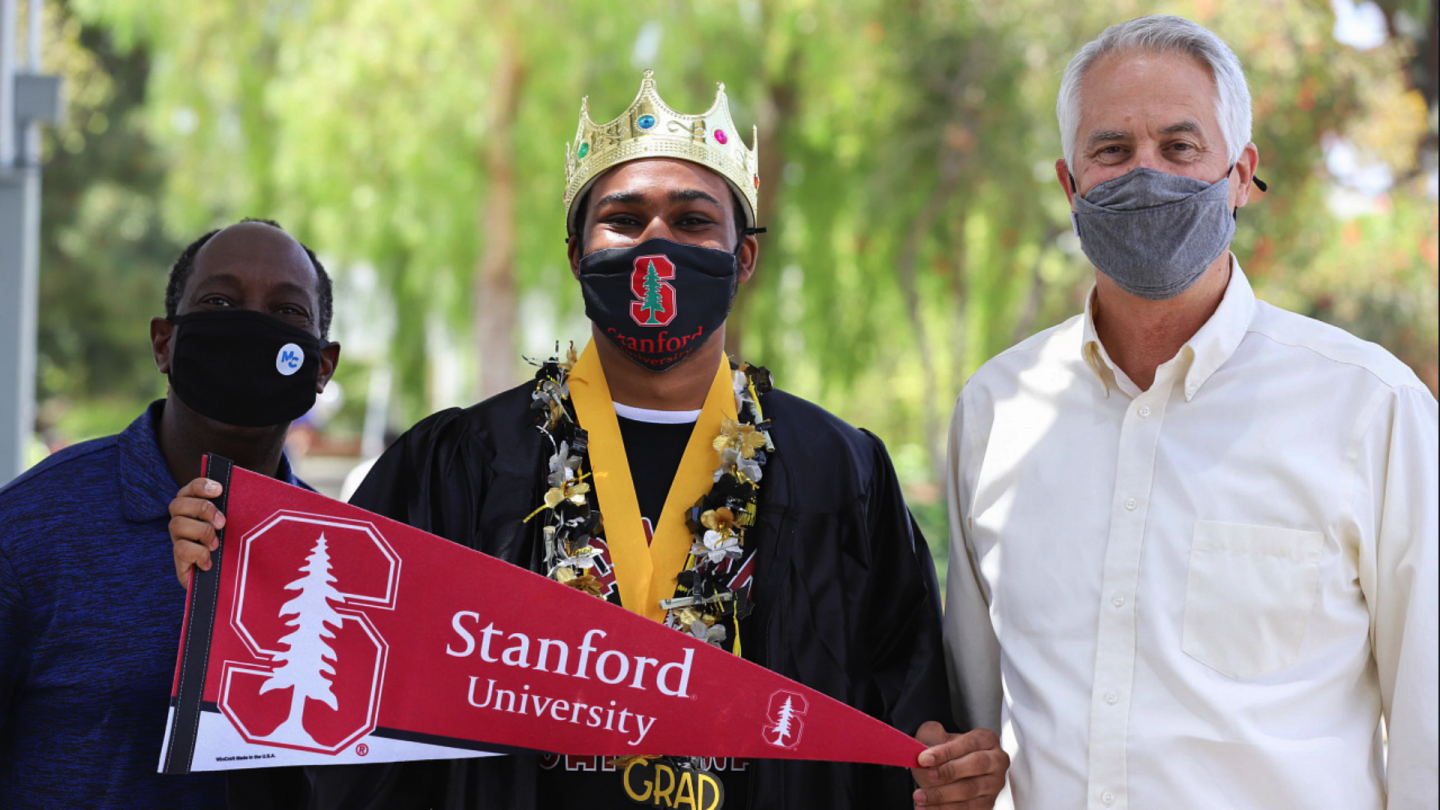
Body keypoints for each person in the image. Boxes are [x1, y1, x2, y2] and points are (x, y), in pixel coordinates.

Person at [172, 71, 1008, 809]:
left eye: (691, 221)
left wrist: (940, 774)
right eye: (623, 220)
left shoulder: (838, 471)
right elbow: (342, 662)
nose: (657, 246)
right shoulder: (458, 463)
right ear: (576, 252)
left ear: (743, 258)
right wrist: (222, 542)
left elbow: (903, 712)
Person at [943, 14, 1438, 809]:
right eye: (1111, 150)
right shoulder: (995, 412)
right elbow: (972, 729)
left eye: (1180, 147)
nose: (1148, 175)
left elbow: (1430, 731)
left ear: (1241, 175)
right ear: (1070, 187)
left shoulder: (1370, 410)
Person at [0, 219, 341, 808]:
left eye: (286, 311)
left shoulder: (343, 557)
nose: (251, 326)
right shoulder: (33, 528)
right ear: (164, 342)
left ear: (322, 366)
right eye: (219, 301)